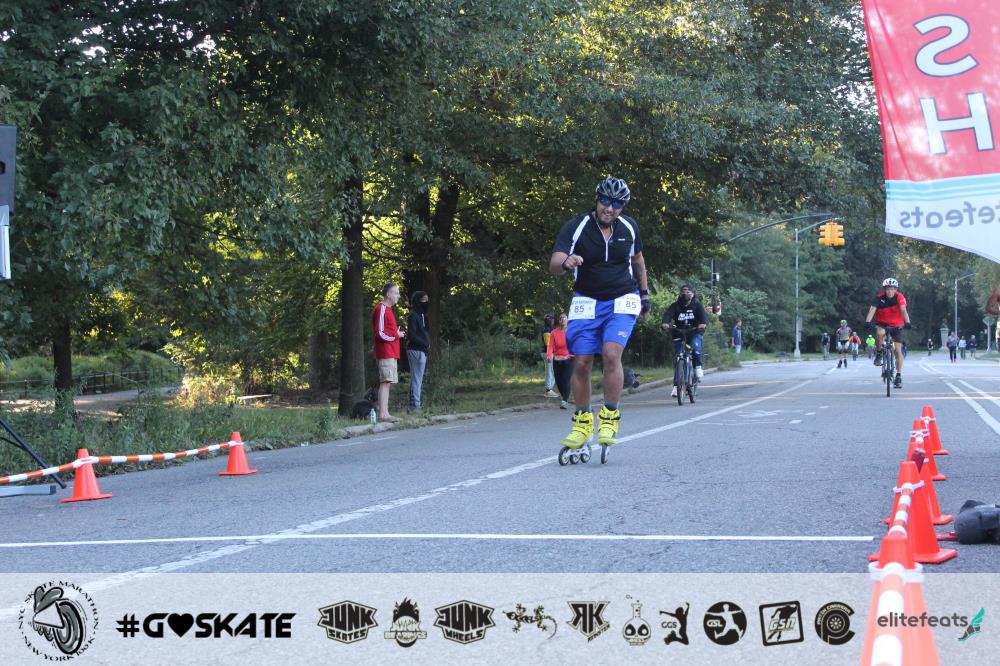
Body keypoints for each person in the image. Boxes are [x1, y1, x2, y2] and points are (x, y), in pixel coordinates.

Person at [549, 176, 650, 449]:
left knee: (611, 354)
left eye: (617, 204)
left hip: (622, 298)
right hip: (587, 300)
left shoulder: (629, 227)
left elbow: (638, 260)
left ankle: (609, 417)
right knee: (582, 362)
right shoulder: (577, 226)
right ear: (597, 199)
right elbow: (554, 263)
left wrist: (644, 294)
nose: (610, 208)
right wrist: (567, 262)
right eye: (605, 201)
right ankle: (582, 423)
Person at [661, 285, 709, 397]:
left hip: (694, 332)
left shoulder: (697, 305)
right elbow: (668, 315)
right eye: (683, 291)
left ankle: (697, 367)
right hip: (679, 332)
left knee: (695, 348)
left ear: (693, 293)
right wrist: (665, 323)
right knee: (679, 357)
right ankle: (676, 386)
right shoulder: (675, 305)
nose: (685, 294)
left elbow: (704, 318)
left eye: (688, 292)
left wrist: (703, 324)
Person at [864, 277, 911, 389]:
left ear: (896, 290)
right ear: (885, 289)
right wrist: (867, 322)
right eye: (888, 289)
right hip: (882, 323)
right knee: (879, 333)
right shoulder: (879, 297)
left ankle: (898, 376)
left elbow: (903, 310)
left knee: (897, 350)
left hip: (897, 325)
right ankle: (879, 353)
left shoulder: (900, 297)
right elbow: (872, 310)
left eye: (892, 289)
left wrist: (907, 322)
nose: (890, 291)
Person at [373, 283, 406, 422]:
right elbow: (380, 333)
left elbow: (387, 331)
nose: (398, 296)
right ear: (388, 294)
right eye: (396, 293)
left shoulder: (389, 310)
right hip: (385, 352)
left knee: (388, 382)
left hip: (391, 352)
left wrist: (395, 334)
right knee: (385, 381)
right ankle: (383, 414)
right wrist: (396, 336)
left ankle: (386, 412)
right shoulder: (381, 308)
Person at [406, 290, 430, 413]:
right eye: (424, 300)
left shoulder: (423, 316)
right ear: (417, 301)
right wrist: (425, 343)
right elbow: (411, 335)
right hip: (416, 350)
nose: (426, 302)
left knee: (417, 378)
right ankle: (416, 406)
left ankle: (414, 405)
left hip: (423, 351)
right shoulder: (413, 315)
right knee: (417, 378)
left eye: (427, 300)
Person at [546, 313, 574, 409]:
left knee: (566, 380)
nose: (563, 319)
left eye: (564, 317)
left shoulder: (571, 331)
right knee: (558, 382)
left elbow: (576, 343)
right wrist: (549, 355)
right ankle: (565, 397)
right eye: (561, 318)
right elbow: (550, 345)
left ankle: (564, 401)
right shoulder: (554, 332)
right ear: (559, 320)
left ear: (567, 320)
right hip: (557, 360)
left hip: (569, 359)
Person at [541, 313, 557, 398]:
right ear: (549, 320)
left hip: (549, 353)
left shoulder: (549, 329)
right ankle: (548, 390)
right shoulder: (547, 330)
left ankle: (550, 389)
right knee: (549, 371)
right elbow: (548, 344)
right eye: (552, 319)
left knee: (552, 371)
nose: (553, 321)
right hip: (548, 353)